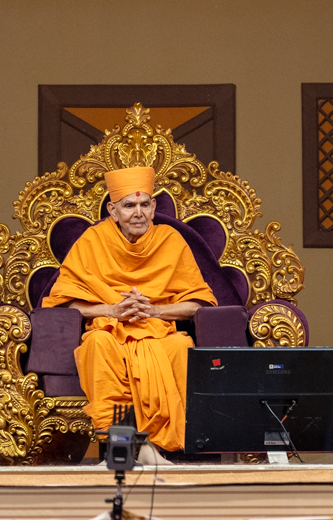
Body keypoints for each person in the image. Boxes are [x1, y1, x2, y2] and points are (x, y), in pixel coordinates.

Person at [40, 165, 217, 457]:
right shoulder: (92, 241)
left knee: (181, 346)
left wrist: (155, 311)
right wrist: (112, 310)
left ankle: (157, 447)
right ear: (113, 210)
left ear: (153, 206)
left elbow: (199, 302)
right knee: (97, 344)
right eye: (129, 205)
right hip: (111, 330)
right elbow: (63, 301)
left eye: (144, 204)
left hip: (158, 332)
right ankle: (127, 445)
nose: (138, 213)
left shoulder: (170, 241)